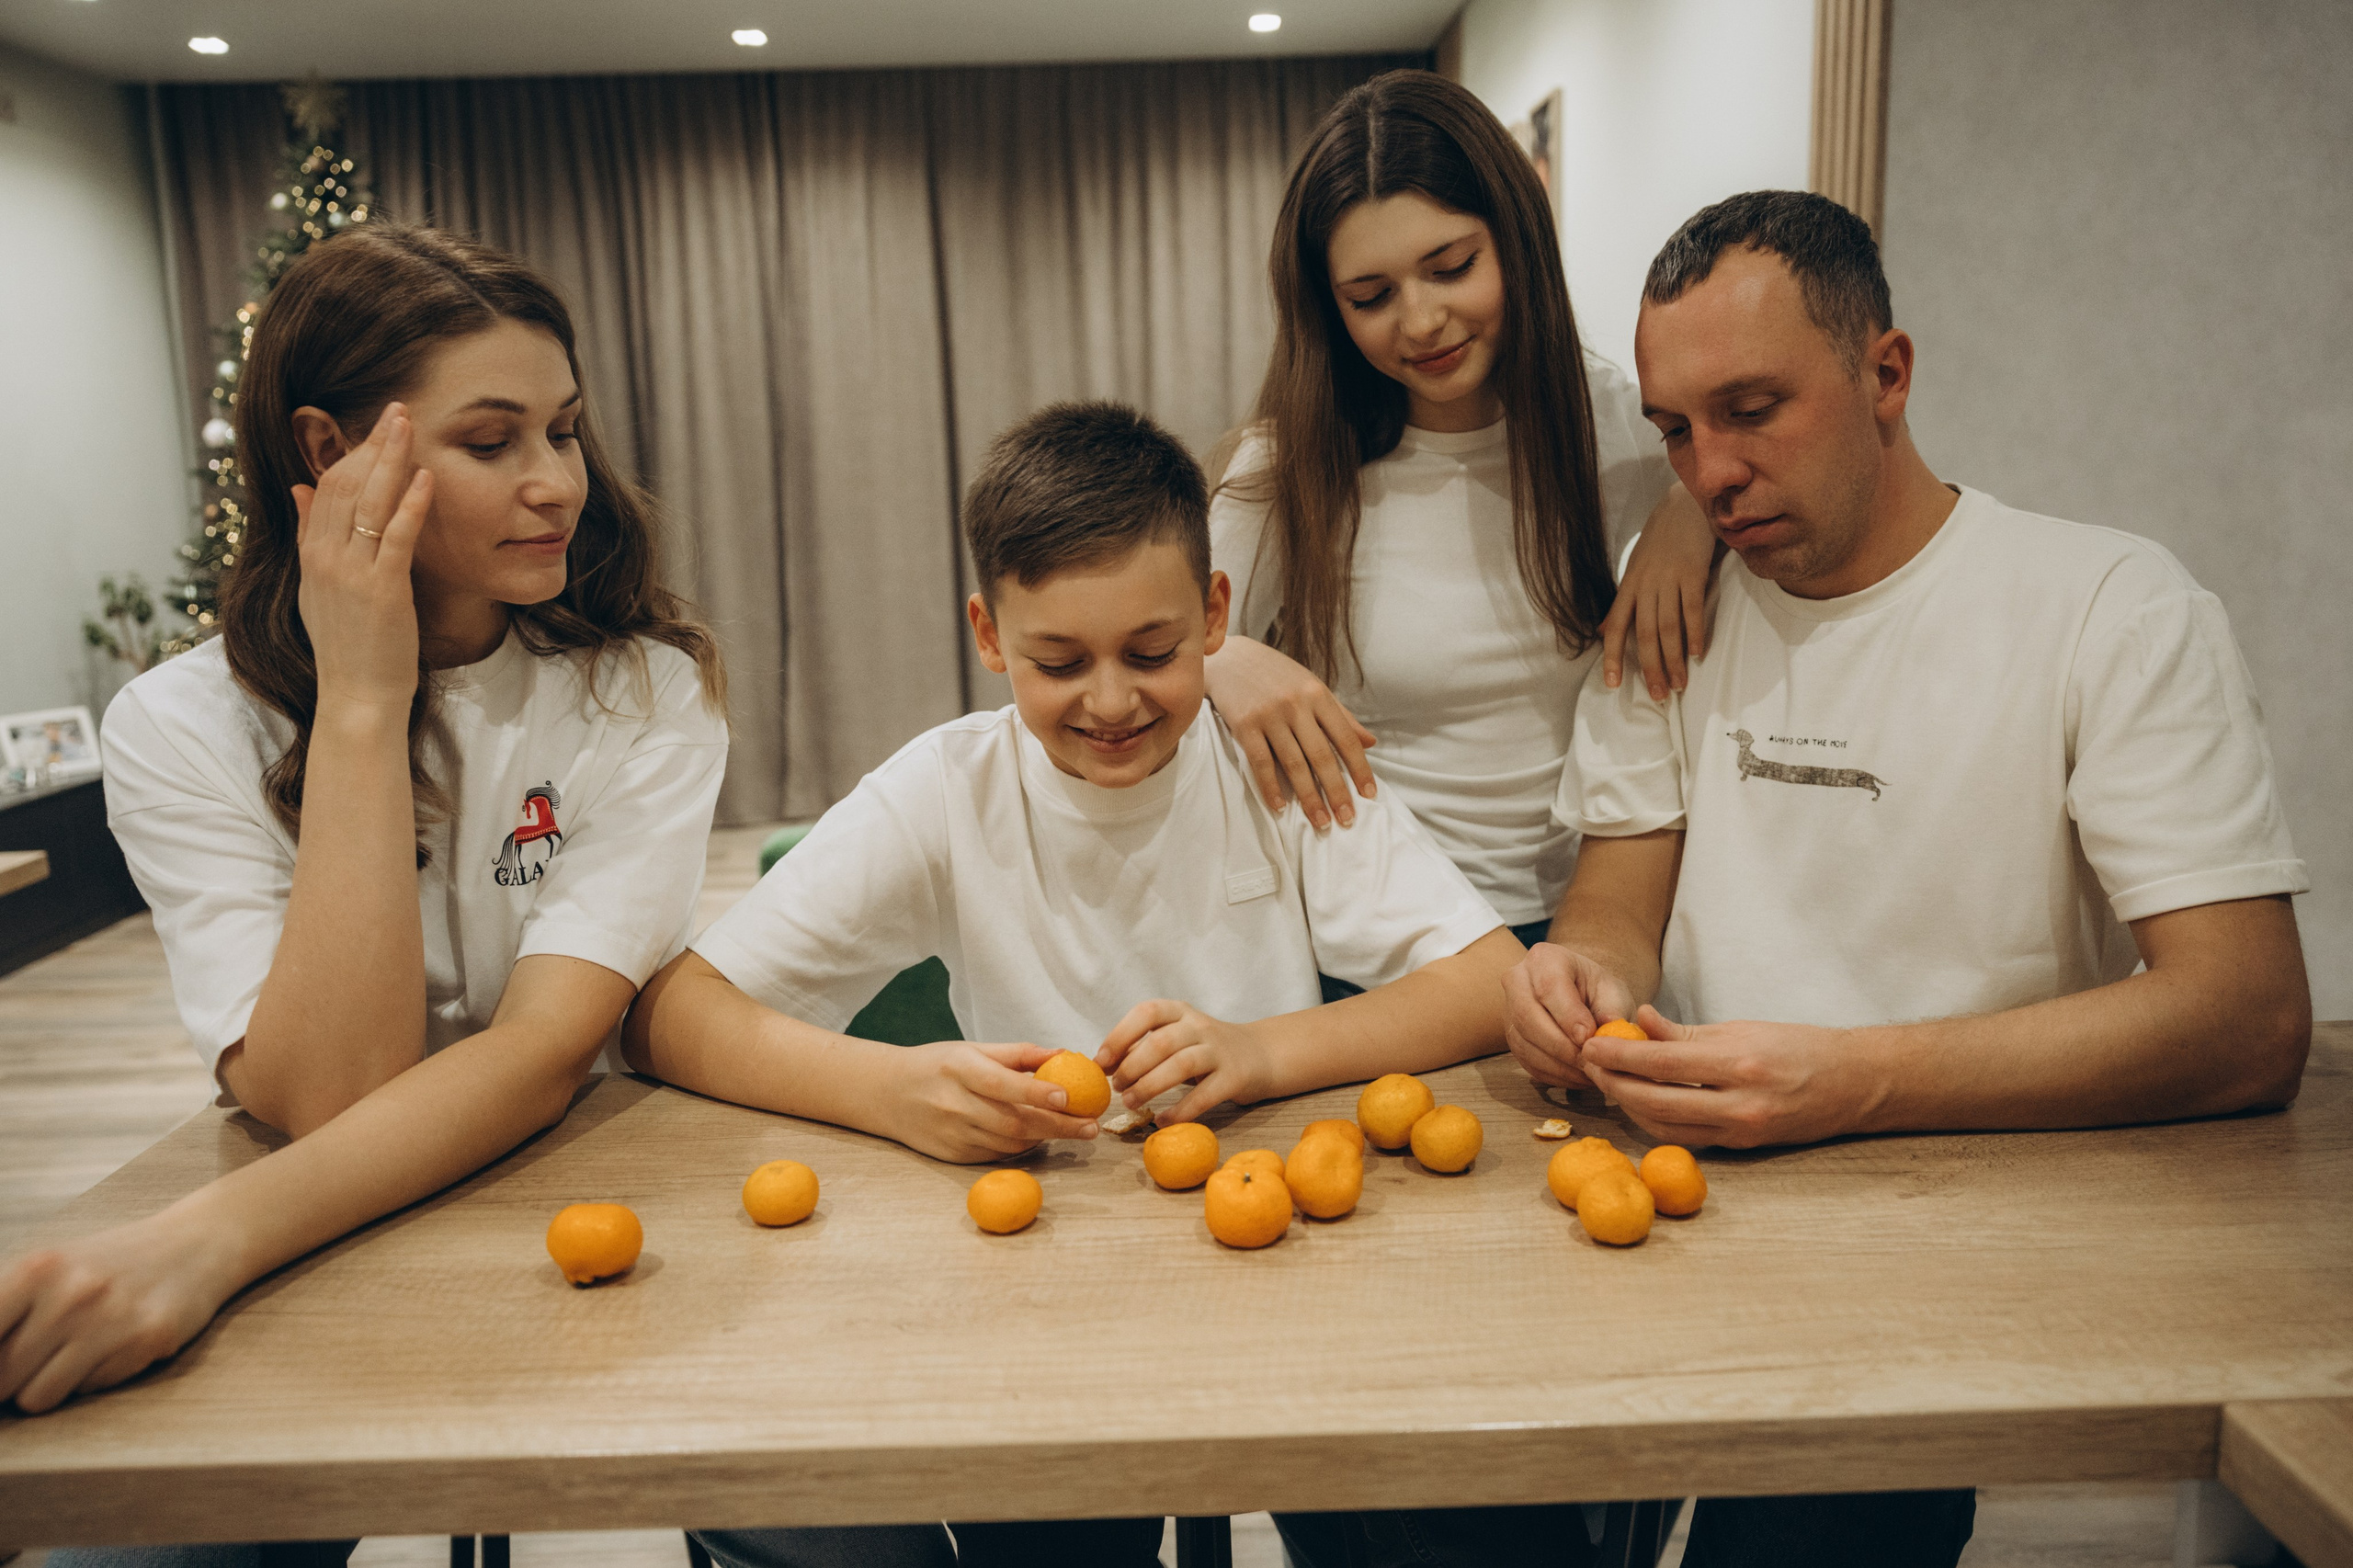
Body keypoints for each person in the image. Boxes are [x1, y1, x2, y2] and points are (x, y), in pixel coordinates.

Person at [1506, 190, 2312, 1568]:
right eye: (1676, 431)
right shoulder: (1672, 615)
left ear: (1888, 373)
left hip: (1970, 1240)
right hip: (1678, 1214)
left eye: (1753, 408)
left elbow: (2246, 1016)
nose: (1709, 473)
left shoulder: (2110, 608)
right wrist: (1581, 978)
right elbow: (1615, 907)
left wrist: (1852, 1079)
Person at [625, 400, 1522, 1567]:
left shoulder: (1273, 762)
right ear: (990, 636)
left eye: (1151, 653)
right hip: (1046, 1278)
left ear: (1213, 614)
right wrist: (891, 1087)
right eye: (1059, 661)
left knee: (1403, 1516)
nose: (1110, 701)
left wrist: (1259, 1052)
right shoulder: (946, 789)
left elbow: (1491, 979)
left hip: (1288, 1263)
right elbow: (669, 1014)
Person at [0, 225, 729, 1565]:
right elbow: (336, 1086)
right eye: (492, 439)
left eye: (563, 431)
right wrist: (364, 696)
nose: (556, 482)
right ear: (332, 455)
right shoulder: (176, 723)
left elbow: (540, 1050)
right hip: (316, 1223)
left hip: (551, 1180)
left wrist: (204, 1243)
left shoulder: (643, 686)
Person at [1205, 67, 1722, 972]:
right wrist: (1221, 657)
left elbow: (1775, 470)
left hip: (1578, 928)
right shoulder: (1286, 470)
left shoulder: (1617, 425)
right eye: (1371, 296)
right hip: (1362, 939)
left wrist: (1691, 508)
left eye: (1450, 268)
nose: (1423, 320)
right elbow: (1144, 656)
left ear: (1515, 243)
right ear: (1328, 309)